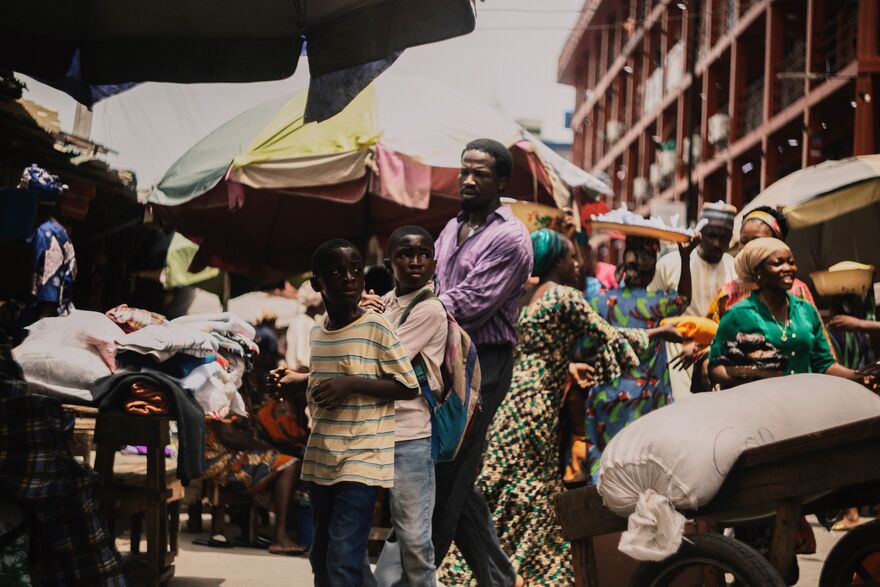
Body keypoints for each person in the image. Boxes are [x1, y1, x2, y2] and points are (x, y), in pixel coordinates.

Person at [441, 229, 681, 585]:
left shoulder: (522, 296)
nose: (577, 263)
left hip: (504, 397)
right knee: (530, 485)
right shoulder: (565, 297)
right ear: (556, 262)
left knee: (503, 482)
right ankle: (520, 570)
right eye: (570, 257)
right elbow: (610, 336)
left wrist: (569, 366)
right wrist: (660, 333)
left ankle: (488, 567)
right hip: (534, 405)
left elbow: (535, 348)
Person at [432, 139, 533, 587]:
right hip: (440, 357)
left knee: (446, 469)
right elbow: (432, 288)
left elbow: (471, 304)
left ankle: (412, 574)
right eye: (465, 171)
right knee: (453, 469)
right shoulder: (448, 230)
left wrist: (408, 312)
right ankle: (498, 580)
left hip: (483, 362)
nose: (469, 180)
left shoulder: (510, 238)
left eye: (482, 174)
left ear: (502, 182)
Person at [291, 239, 420, 587]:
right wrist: (294, 382)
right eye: (336, 272)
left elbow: (408, 386)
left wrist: (352, 384)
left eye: (354, 271)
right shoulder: (318, 332)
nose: (349, 278)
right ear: (318, 284)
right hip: (322, 458)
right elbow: (322, 387)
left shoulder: (376, 327)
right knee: (322, 556)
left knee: (343, 558)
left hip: (362, 459)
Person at [366, 226, 447, 587]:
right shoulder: (386, 302)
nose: (415, 262)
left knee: (415, 541)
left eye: (423, 254)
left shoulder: (430, 309)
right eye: (404, 254)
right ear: (389, 262)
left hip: (410, 436)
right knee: (398, 534)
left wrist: (368, 319)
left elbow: (386, 359)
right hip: (374, 430)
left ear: (434, 261)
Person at [579, 235, 693, 483]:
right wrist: (685, 258)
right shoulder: (655, 303)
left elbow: (585, 347)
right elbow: (684, 299)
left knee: (606, 469)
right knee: (642, 473)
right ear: (651, 268)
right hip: (647, 401)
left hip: (606, 397)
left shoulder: (598, 300)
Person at [708, 238, 861, 387]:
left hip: (802, 404)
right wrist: (747, 383)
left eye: (791, 262)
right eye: (777, 263)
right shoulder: (738, 314)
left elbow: (825, 365)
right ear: (758, 272)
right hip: (759, 406)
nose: (788, 268)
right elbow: (715, 367)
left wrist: (860, 376)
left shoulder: (806, 310)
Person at [648, 201, 737, 397]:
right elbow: (651, 312)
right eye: (711, 235)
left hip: (717, 358)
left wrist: (703, 349)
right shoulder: (668, 264)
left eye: (723, 238)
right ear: (699, 232)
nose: (716, 243)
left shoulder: (735, 269)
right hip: (674, 357)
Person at [706, 206, 816, 322]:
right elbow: (710, 334)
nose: (748, 248)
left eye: (757, 241)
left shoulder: (797, 292)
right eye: (744, 241)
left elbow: (816, 334)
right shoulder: (727, 294)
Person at [18, 165, 76, 330]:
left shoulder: (47, 235)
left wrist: (37, 338)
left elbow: (49, 298)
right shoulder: (45, 229)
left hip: (44, 324)